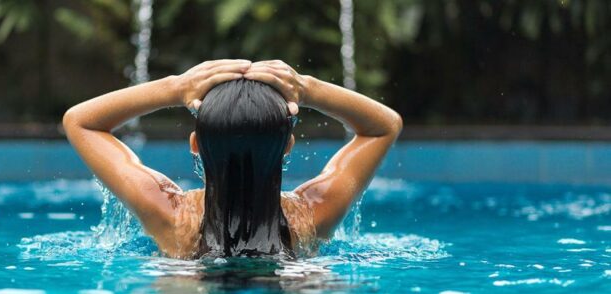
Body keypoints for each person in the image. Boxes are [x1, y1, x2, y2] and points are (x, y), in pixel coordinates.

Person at [63, 59, 402, 259]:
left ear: (195, 144)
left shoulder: (170, 215)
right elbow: (383, 127)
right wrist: (308, 87)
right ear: (288, 146)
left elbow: (80, 121)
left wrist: (175, 87)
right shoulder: (312, 215)